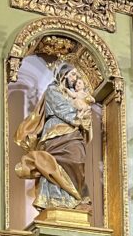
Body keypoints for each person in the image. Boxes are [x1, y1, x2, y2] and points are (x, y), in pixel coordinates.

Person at [13, 62, 91, 210]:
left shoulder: (71, 94)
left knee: (78, 159)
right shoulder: (53, 90)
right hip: (56, 132)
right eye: (73, 74)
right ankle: (55, 200)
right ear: (64, 75)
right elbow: (61, 108)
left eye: (76, 75)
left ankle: (73, 198)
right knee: (55, 163)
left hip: (73, 132)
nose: (75, 78)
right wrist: (79, 115)